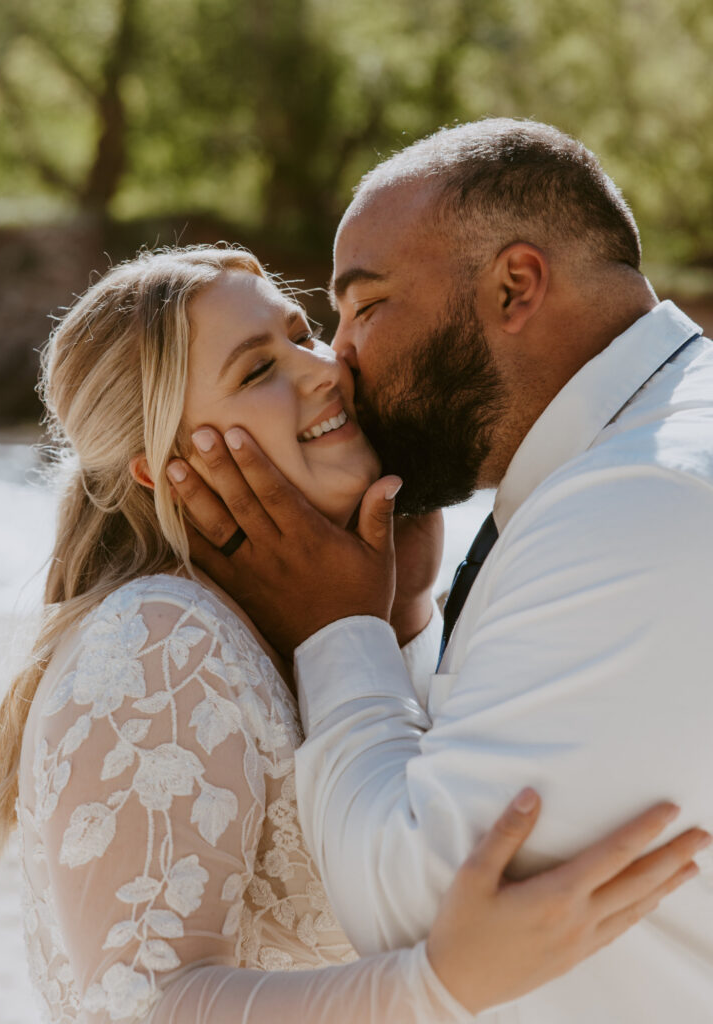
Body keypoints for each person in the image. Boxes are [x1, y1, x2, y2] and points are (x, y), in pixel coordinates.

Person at [0, 246, 704, 1024]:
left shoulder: (296, 623)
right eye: (258, 371)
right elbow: (139, 1004)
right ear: (165, 468)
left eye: (303, 334)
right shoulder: (155, 640)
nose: (325, 370)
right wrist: (438, 986)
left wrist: (400, 618)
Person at [166, 120, 713, 1021]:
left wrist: (339, 631)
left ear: (514, 285)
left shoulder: (633, 503)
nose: (338, 357)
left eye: (367, 305)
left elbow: (414, 913)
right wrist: (410, 612)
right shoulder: (632, 459)